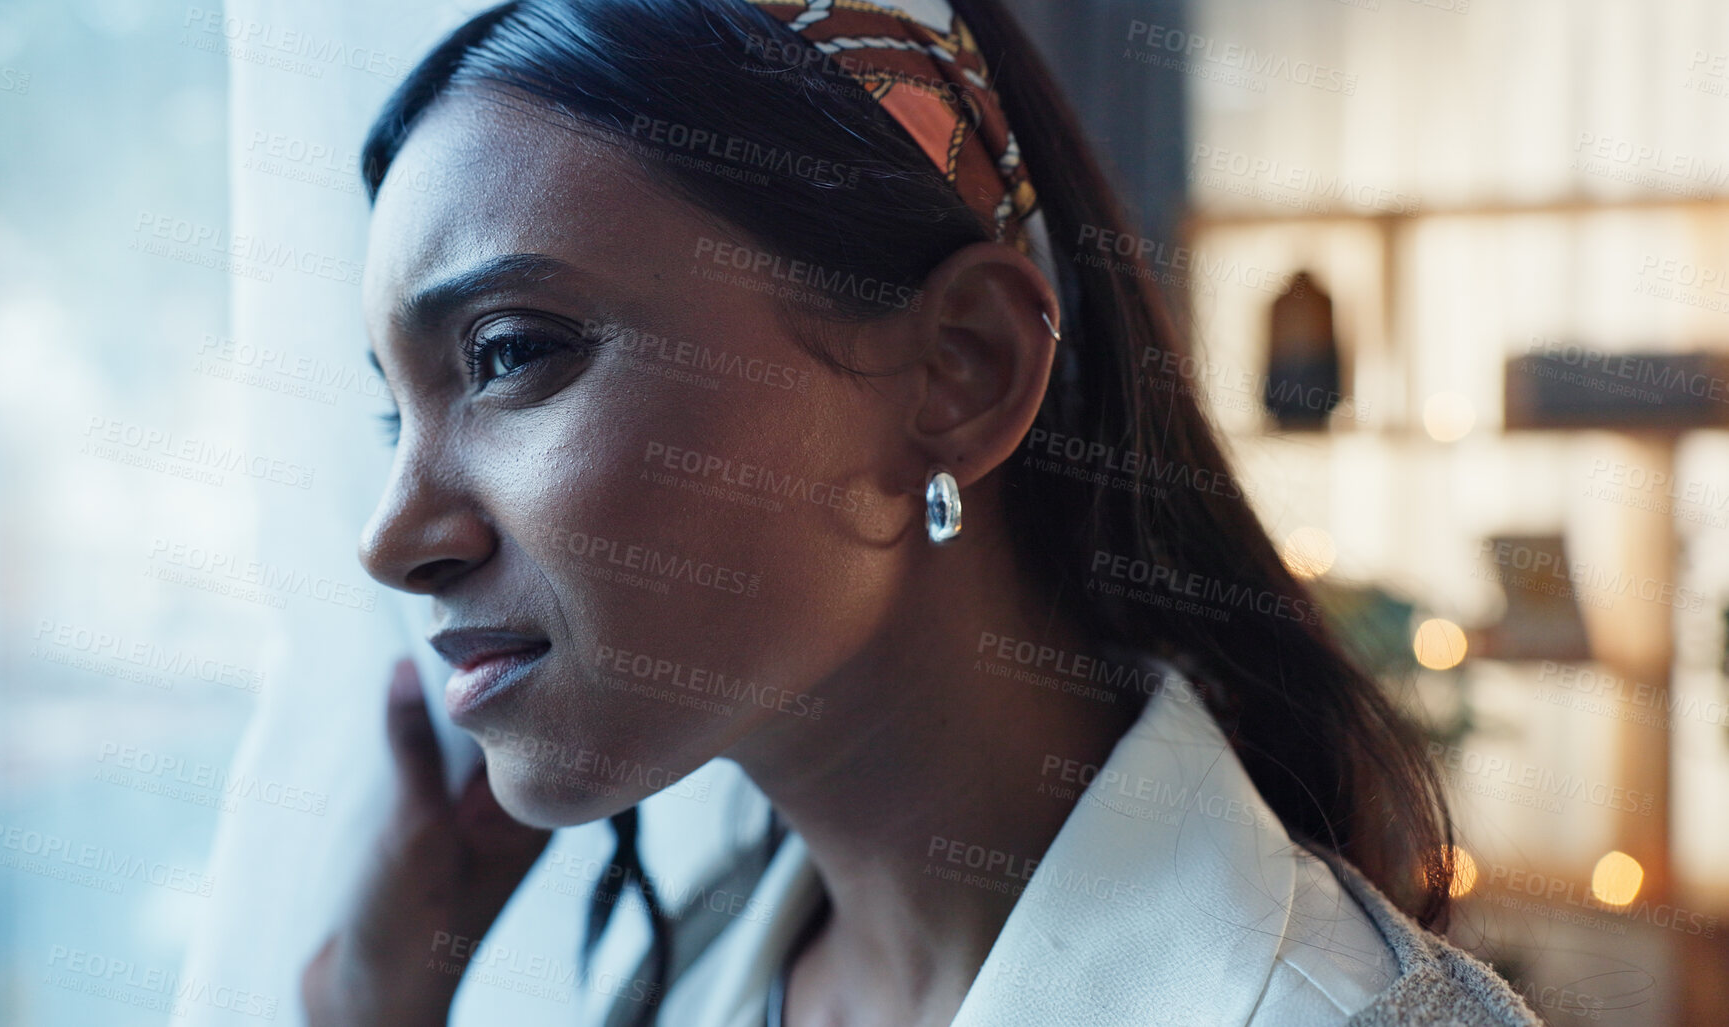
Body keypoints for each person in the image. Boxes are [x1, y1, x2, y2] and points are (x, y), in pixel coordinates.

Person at [301, 0, 1543, 1024]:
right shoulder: (705, 963)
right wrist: (377, 998)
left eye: (511, 352)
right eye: (390, 418)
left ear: (963, 369)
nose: (394, 535)